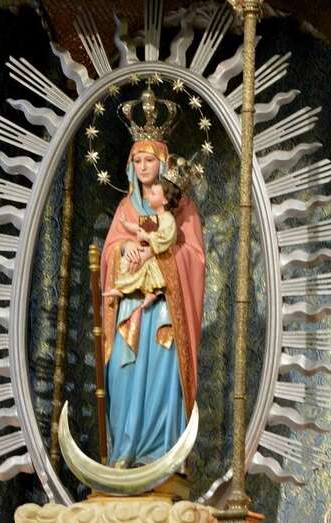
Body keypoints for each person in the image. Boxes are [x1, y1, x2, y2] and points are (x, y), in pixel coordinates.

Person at [100, 139, 205, 469]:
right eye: (138, 161)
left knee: (161, 374)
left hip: (163, 310)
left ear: (163, 163)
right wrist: (124, 249)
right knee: (122, 371)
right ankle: (124, 451)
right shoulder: (125, 208)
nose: (143, 167)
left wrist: (157, 256)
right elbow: (109, 252)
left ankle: (161, 455)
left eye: (149, 160)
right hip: (130, 309)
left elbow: (195, 258)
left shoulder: (182, 208)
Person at [103, 179, 181, 310]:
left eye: (153, 194)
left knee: (142, 270)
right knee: (129, 263)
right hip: (147, 254)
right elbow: (138, 228)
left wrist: (147, 237)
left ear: (164, 201)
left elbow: (166, 239)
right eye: (150, 193)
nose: (149, 196)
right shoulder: (154, 218)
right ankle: (121, 289)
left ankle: (149, 292)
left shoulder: (168, 220)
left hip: (156, 257)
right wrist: (125, 224)